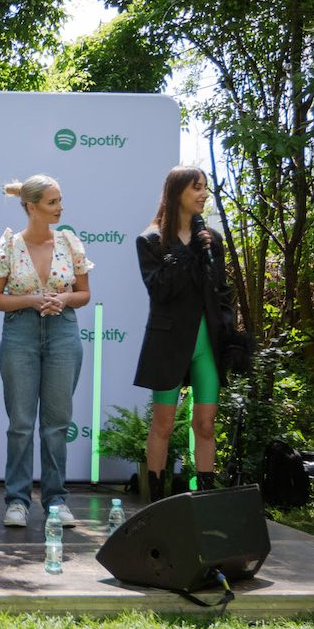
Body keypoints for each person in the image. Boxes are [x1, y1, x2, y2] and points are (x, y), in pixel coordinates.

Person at [0, 175, 93, 528]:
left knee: (56, 424)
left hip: (63, 332)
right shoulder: (8, 247)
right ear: (32, 207)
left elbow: (84, 293)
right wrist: (32, 300)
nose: (60, 207)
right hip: (20, 333)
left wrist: (61, 299)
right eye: (52, 202)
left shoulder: (69, 242)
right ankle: (17, 501)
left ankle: (56, 501)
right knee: (21, 424)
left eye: (60, 200)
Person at [132, 166, 237, 500]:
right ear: (177, 192)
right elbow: (159, 290)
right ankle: (156, 500)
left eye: (205, 187)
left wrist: (230, 329)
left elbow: (222, 291)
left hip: (207, 342)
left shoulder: (212, 240)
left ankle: (206, 497)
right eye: (197, 188)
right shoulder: (150, 239)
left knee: (206, 425)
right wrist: (186, 254)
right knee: (163, 424)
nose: (204, 194)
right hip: (169, 342)